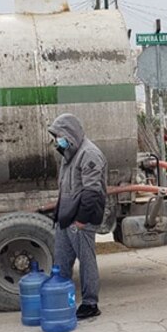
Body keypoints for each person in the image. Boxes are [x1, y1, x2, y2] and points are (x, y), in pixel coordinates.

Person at [48, 114, 108, 320]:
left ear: (70, 133)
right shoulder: (69, 154)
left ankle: (90, 303)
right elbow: (65, 189)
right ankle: (62, 300)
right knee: (61, 262)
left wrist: (81, 220)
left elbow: (92, 191)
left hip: (81, 219)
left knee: (86, 261)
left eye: (59, 136)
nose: (57, 140)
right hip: (67, 217)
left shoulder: (89, 154)